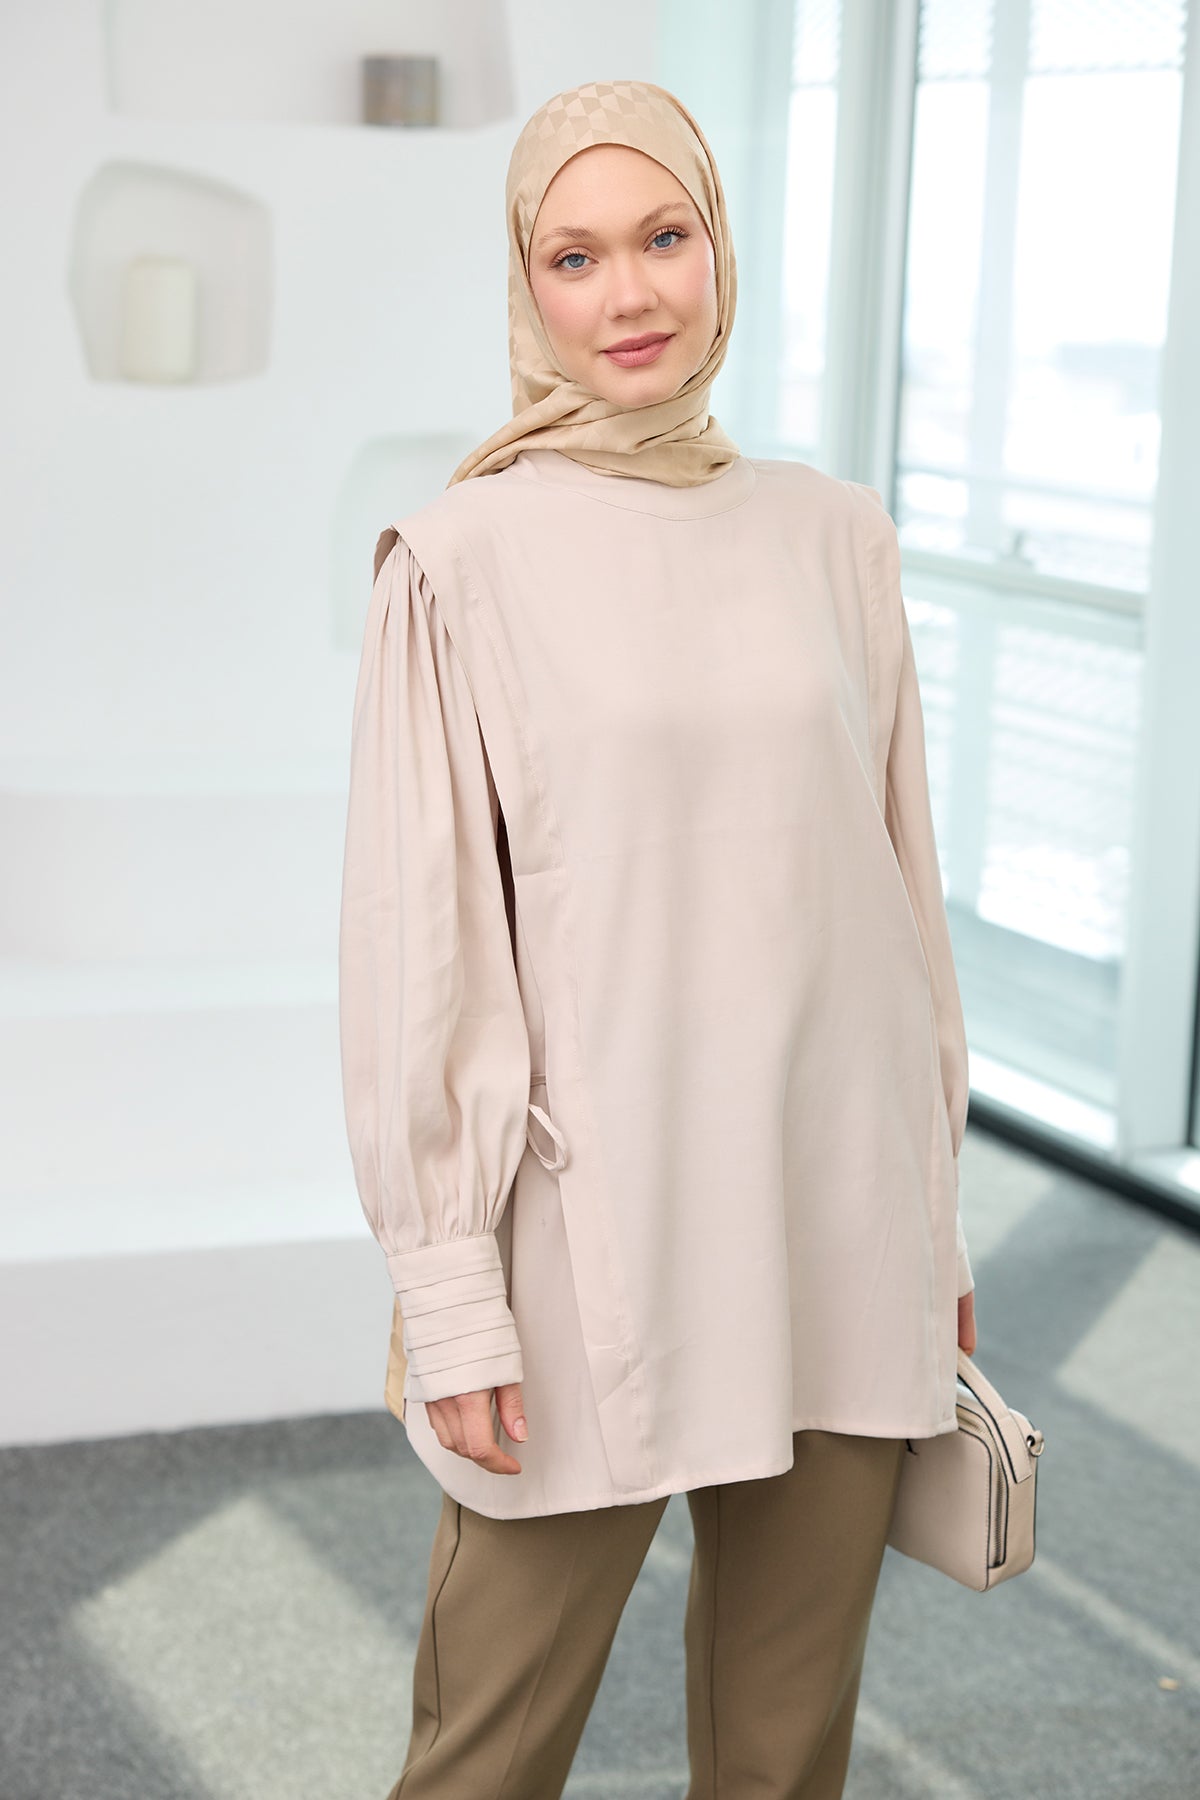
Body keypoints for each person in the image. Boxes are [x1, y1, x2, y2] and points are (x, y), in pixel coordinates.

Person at [338, 76, 977, 1800]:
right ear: (527, 283)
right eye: (576, 256)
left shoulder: (837, 536)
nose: (629, 294)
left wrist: (933, 1210)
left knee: (785, 1751)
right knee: (487, 1751)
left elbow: (897, 907)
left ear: (720, 248)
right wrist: (451, 1297)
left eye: (664, 238)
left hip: (837, 1214)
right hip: (590, 1243)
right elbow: (420, 954)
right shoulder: (460, 561)